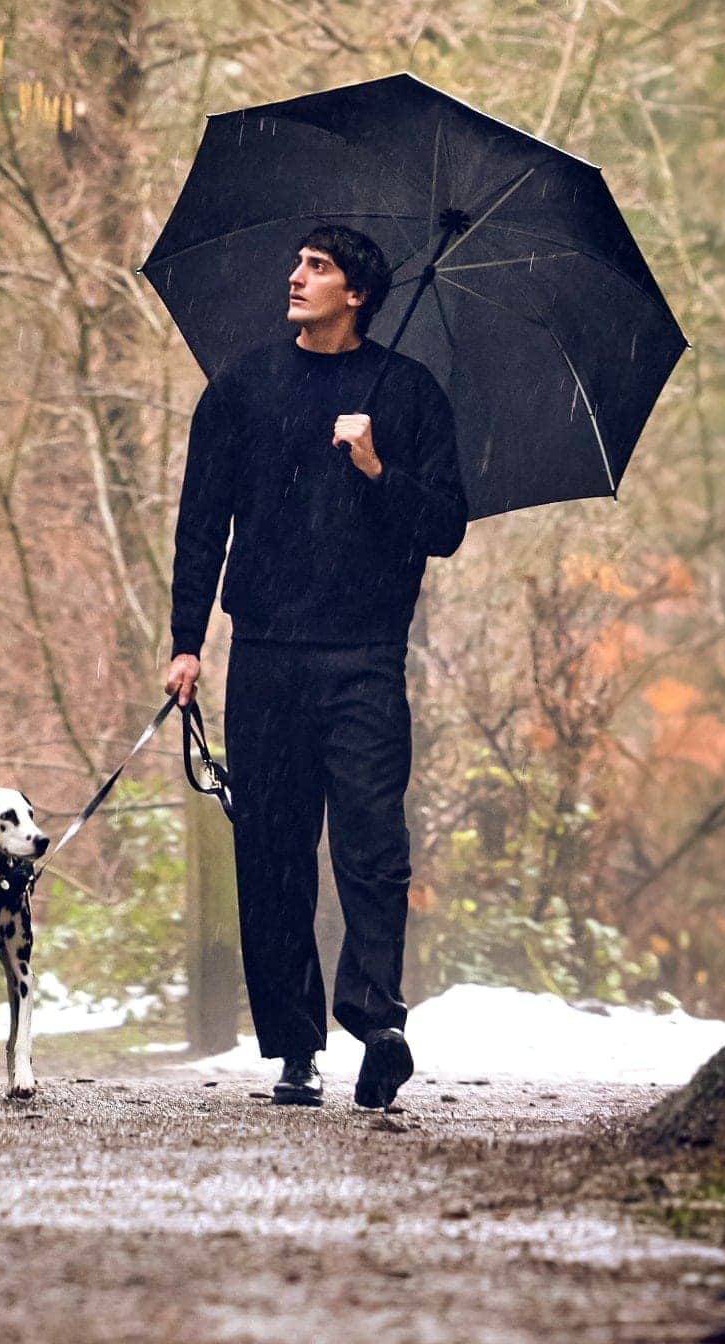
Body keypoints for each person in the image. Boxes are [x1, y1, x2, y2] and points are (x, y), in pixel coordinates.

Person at [164, 221, 467, 1112]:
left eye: (318, 267)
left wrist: (378, 467)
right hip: (262, 655)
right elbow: (199, 521)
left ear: (358, 293)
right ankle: (295, 1048)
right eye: (299, 263)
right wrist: (187, 642)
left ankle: (379, 1026)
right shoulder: (242, 387)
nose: (295, 277)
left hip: (366, 658)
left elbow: (444, 526)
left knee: (374, 848)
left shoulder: (408, 397)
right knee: (274, 855)